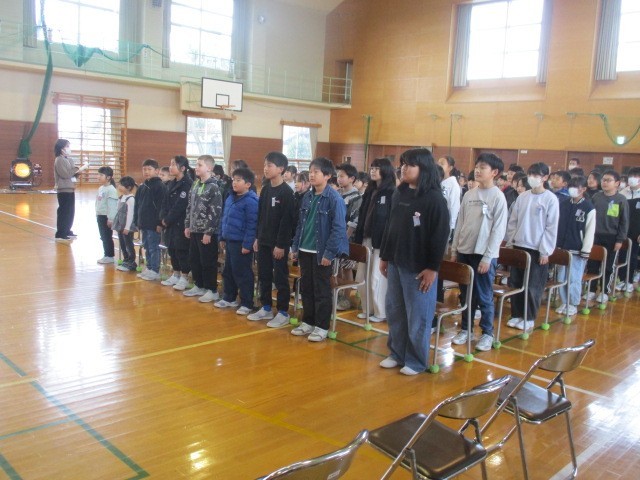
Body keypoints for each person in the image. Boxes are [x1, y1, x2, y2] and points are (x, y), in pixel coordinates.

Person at [378, 148, 449, 375]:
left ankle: (416, 361)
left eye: (410, 165)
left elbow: (440, 236)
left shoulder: (434, 199)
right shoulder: (399, 193)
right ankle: (397, 353)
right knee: (395, 311)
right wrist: (385, 256)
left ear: (424, 169)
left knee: (418, 316)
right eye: (403, 164)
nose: (404, 168)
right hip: (396, 262)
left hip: (418, 268)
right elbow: (390, 228)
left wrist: (432, 268)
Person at [450, 153, 508, 351]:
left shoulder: (498, 197)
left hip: (484, 255)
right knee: (466, 295)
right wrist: (455, 249)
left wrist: (488, 256)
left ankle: (487, 333)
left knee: (484, 295)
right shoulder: (469, 195)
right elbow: (460, 223)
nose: (477, 170)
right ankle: (466, 329)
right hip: (464, 251)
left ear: (494, 172)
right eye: (477, 166)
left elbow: (498, 230)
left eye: (483, 167)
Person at [290, 157, 349, 342]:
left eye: (316, 172)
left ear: (328, 175)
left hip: (322, 252)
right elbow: (300, 225)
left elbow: (339, 229)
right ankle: (308, 321)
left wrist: (329, 253)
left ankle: (322, 326)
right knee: (306, 287)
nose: (312, 175)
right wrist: (295, 246)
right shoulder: (307, 196)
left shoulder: (334, 199)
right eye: (310, 171)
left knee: (321, 290)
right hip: (305, 249)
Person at [505, 162, 560, 331]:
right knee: (516, 282)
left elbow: (551, 227)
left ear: (545, 178)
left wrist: (545, 251)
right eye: (530, 175)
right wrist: (510, 242)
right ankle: (516, 314)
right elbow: (513, 221)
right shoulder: (523, 197)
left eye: (536, 175)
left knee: (533, 285)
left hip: (537, 249)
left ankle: (528, 317)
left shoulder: (550, 199)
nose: (532, 178)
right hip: (519, 245)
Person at [248, 152, 295, 327]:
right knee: (264, 275)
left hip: (278, 245)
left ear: (281, 169)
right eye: (265, 165)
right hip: (264, 241)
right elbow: (260, 216)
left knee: (280, 278)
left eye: (269, 165)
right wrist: (257, 237)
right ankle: (266, 307)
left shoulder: (287, 192)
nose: (265, 168)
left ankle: (283, 312)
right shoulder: (266, 189)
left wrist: (281, 245)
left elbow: (287, 222)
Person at [353, 158, 396, 323]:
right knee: (361, 277)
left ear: (385, 171)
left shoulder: (391, 192)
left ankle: (380, 312)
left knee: (376, 278)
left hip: (380, 242)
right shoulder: (370, 191)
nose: (373, 171)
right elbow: (362, 215)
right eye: (372, 167)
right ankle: (367, 308)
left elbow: (391, 220)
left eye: (377, 168)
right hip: (366, 238)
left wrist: (387, 242)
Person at [216, 167, 259, 315]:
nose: (234, 182)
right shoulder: (230, 197)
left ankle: (247, 303)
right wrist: (222, 236)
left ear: (248, 184)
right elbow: (224, 218)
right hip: (229, 240)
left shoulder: (251, 201)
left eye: (238, 180)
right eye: (234, 179)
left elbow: (252, 225)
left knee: (242, 273)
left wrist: (247, 244)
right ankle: (229, 297)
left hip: (241, 243)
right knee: (228, 270)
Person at [183, 155, 223, 302]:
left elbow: (215, 211)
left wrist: (209, 232)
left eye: (200, 165)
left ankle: (211, 289)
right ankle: (199, 285)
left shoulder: (214, 187)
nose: (196, 167)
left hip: (206, 232)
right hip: (194, 229)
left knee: (208, 261)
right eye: (196, 164)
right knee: (194, 259)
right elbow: (189, 206)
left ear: (209, 168)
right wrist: (187, 225)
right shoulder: (195, 184)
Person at [585, 170, 629, 303]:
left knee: (608, 266)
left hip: (612, 237)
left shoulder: (621, 199)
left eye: (608, 180)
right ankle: (591, 290)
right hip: (595, 235)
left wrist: (620, 240)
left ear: (617, 183)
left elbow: (624, 222)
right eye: (603, 180)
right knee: (592, 264)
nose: (605, 183)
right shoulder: (596, 197)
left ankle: (604, 291)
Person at [555, 176, 595, 316]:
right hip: (562, 248)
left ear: (583, 189)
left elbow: (590, 231)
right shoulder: (564, 204)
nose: (572, 189)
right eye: (570, 186)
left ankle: (573, 303)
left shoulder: (588, 207)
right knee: (561, 278)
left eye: (575, 187)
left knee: (574, 279)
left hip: (577, 250)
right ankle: (564, 302)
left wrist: (586, 250)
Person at [159, 156, 194, 291]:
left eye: (173, 164)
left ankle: (184, 277)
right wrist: (163, 217)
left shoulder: (187, 184)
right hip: (169, 224)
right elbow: (164, 202)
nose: (170, 167)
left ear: (183, 168)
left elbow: (180, 206)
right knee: (172, 249)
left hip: (180, 223)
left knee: (181, 250)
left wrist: (168, 219)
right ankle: (176, 273)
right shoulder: (171, 183)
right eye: (170, 164)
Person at [335, 163, 363, 310]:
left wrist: (345, 238)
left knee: (346, 268)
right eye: (338, 176)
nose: (339, 179)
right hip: (335, 238)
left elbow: (354, 222)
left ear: (352, 178)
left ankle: (346, 298)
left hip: (348, 240)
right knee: (337, 268)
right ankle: (338, 295)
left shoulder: (356, 197)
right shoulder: (337, 194)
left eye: (342, 176)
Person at [133, 159, 166, 281]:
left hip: (153, 224)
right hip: (144, 223)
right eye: (144, 169)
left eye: (149, 169)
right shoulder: (142, 187)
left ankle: (155, 270)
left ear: (156, 171)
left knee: (153, 247)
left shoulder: (160, 186)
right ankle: (149, 267)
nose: (146, 172)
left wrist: (159, 223)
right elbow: (137, 205)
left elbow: (162, 206)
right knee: (146, 246)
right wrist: (137, 221)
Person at [53, 139, 84, 242]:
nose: (68, 148)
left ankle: (67, 230)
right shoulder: (59, 160)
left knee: (70, 211)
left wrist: (77, 173)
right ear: (61, 148)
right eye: (67, 146)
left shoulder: (69, 159)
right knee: (64, 211)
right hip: (63, 189)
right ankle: (60, 233)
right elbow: (65, 174)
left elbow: (71, 174)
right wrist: (75, 169)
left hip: (70, 188)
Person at [620, 167, 640, 292]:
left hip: (636, 233)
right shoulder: (623, 193)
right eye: (631, 176)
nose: (632, 178)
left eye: (636, 176)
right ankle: (622, 280)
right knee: (622, 256)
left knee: (633, 257)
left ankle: (630, 281)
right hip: (624, 230)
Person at [95, 166, 119, 264]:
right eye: (98, 174)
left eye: (101, 175)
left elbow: (112, 205)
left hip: (106, 217)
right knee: (103, 236)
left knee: (107, 236)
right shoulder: (101, 188)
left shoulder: (111, 190)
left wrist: (111, 218)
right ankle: (106, 254)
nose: (98, 177)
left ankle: (109, 256)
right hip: (100, 215)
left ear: (108, 177)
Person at [113, 176, 138, 272]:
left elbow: (130, 214)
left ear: (128, 187)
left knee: (128, 245)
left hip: (127, 227)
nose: (119, 186)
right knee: (123, 244)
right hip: (120, 226)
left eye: (122, 185)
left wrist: (127, 227)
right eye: (119, 184)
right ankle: (126, 260)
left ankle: (131, 263)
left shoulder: (131, 199)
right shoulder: (122, 197)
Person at [437, 156, 461, 241]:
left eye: (442, 164)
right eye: (438, 163)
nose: (439, 165)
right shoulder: (437, 181)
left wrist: (451, 226)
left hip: (445, 223)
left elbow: (454, 207)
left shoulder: (453, 185)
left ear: (450, 168)